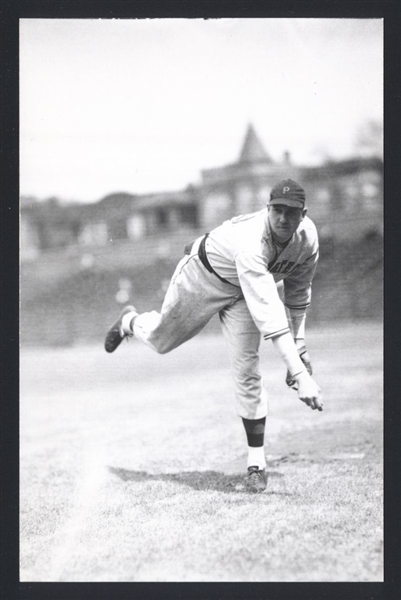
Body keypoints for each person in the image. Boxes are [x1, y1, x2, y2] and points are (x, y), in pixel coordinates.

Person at [104, 179, 323, 492]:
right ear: (267, 209)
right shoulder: (251, 243)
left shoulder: (308, 238)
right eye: (278, 210)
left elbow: (299, 291)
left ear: (304, 214)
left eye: (292, 212)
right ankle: (130, 321)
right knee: (159, 341)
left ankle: (256, 465)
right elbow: (271, 318)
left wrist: (299, 346)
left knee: (247, 369)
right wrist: (301, 374)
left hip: (243, 294)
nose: (283, 218)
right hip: (203, 277)